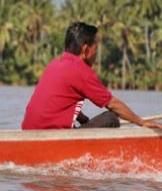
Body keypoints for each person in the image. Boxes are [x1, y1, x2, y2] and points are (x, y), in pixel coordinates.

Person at [22, 22, 162, 130]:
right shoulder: (81, 70)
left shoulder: (54, 64)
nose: (96, 53)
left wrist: (83, 120)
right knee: (110, 118)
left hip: (29, 131)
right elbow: (112, 104)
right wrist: (141, 122)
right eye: (96, 48)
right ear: (85, 49)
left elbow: (61, 103)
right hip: (54, 136)